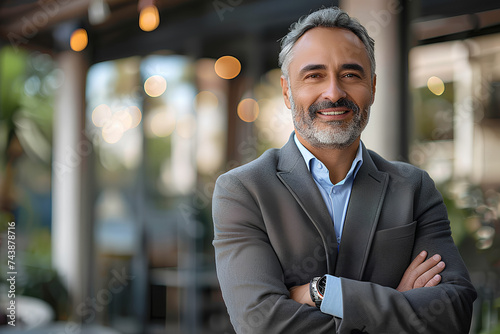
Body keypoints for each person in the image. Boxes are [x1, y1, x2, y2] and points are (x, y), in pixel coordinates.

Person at [212, 6, 476, 334]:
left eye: (350, 74)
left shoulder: (413, 187)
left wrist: (321, 292)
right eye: (314, 75)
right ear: (286, 91)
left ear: (373, 86)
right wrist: (396, 303)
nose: (334, 92)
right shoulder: (244, 190)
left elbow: (454, 313)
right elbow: (263, 324)